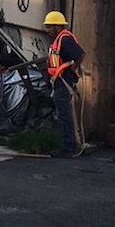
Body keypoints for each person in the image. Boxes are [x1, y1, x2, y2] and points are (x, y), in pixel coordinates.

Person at [44, 11, 85, 158]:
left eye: (49, 27)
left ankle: (67, 147)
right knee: (64, 114)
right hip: (60, 81)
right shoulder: (59, 40)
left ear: (57, 26)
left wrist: (73, 68)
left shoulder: (65, 39)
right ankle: (70, 144)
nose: (47, 30)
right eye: (46, 27)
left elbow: (80, 55)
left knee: (64, 115)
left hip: (64, 82)